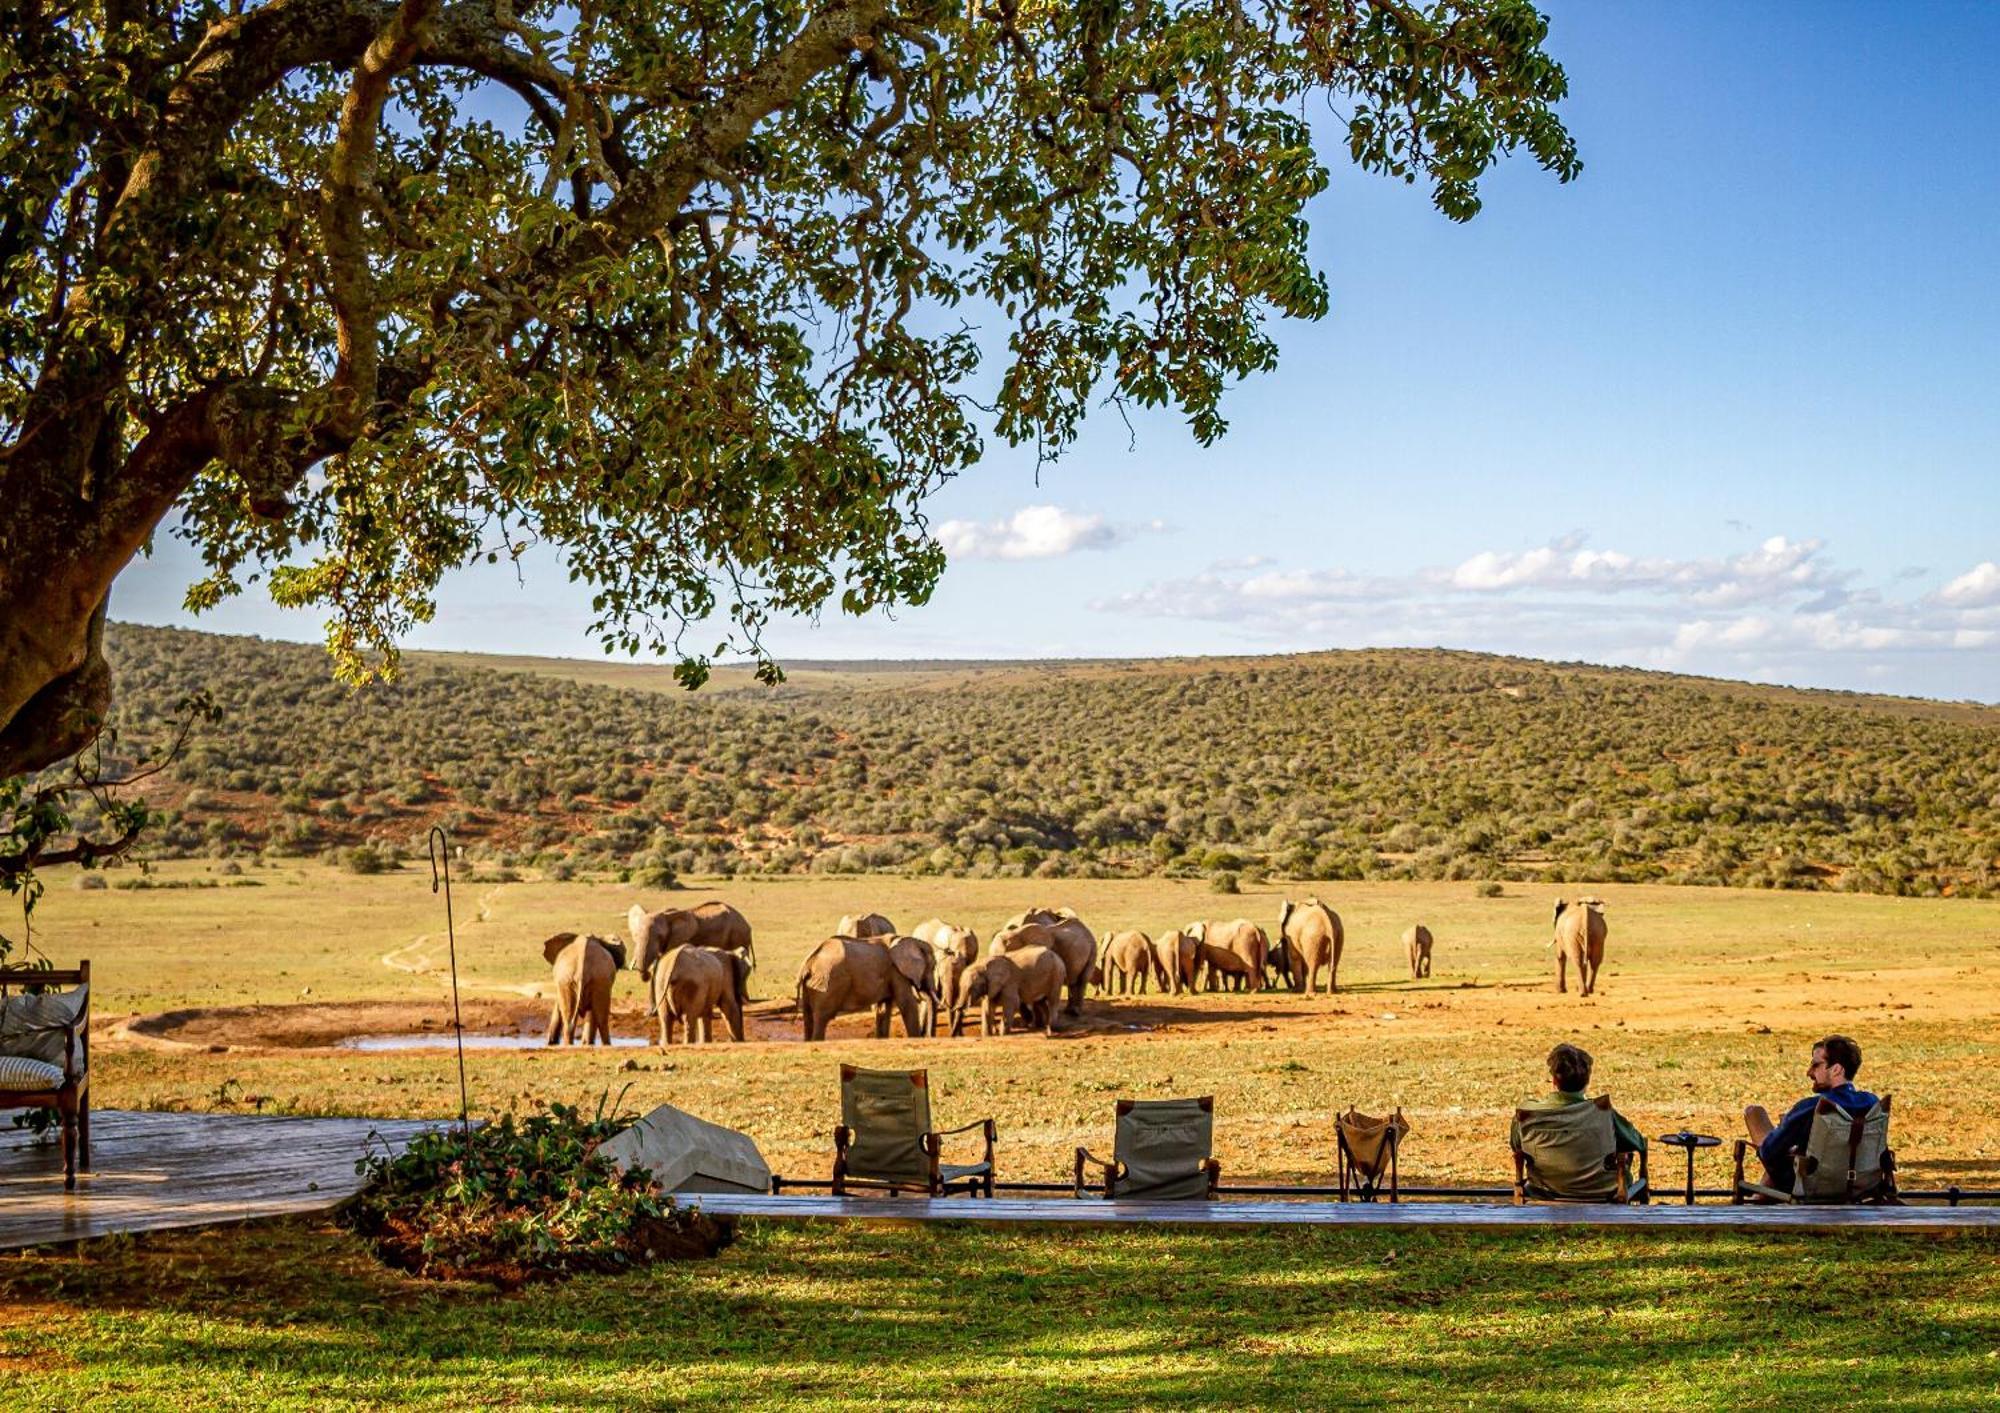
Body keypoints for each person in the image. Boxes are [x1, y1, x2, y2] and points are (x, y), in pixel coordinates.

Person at [1743, 1034, 1878, 1194]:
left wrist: (1785, 1130)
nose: (1809, 1072)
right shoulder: (1872, 1103)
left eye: (1816, 1065)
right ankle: (1760, 1198)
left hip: (1811, 1184)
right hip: (1858, 1183)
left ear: (1836, 1069)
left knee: (1754, 1113)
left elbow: (1769, 1152)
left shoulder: (1813, 1107)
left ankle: (1758, 1201)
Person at [1511, 1042, 1647, 1155]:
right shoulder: (1602, 1113)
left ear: (1554, 1081)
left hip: (1542, 1187)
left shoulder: (1526, 1113)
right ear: (1588, 1080)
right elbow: (1638, 1143)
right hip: (1599, 1187)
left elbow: (1517, 1146)